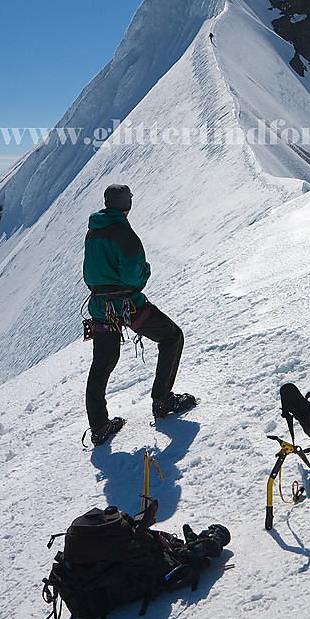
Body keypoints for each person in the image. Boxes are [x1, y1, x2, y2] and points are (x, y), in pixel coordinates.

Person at [82, 184, 196, 445]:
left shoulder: (93, 229)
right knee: (172, 337)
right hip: (127, 305)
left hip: (101, 307)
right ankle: (163, 400)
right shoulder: (122, 230)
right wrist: (146, 272)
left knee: (102, 364)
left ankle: (99, 427)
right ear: (126, 204)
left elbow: (91, 270)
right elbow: (135, 274)